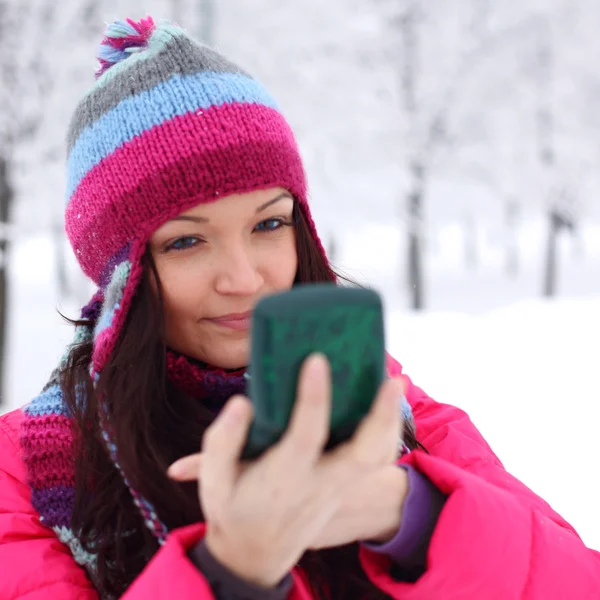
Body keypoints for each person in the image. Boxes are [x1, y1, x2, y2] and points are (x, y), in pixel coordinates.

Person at [0, 15, 598, 600]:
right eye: (186, 240)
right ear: (120, 271)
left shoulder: (381, 404)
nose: (244, 278)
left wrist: (410, 515)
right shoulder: (21, 472)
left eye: (269, 224)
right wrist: (231, 571)